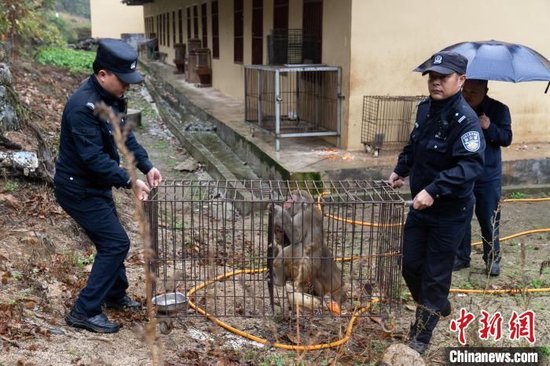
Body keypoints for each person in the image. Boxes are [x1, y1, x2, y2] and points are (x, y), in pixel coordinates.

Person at [54, 38, 162, 333]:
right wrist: (130, 180)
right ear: (103, 74)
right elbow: (94, 159)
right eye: (123, 80)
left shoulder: (112, 98)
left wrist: (147, 165)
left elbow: (126, 136)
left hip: (96, 185)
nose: (127, 86)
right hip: (78, 188)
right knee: (116, 243)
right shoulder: (82, 107)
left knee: (111, 238)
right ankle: (84, 311)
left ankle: (115, 295)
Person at [388, 51, 485, 354]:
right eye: (432, 76)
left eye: (443, 77)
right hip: (421, 207)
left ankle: (421, 335)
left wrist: (434, 189)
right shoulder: (425, 109)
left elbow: (470, 166)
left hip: (448, 211)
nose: (436, 82)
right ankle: (437, 305)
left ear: (461, 80)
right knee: (410, 265)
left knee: (435, 274)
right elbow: (414, 145)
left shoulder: (465, 120)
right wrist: (400, 169)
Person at [454, 79, 512, 276]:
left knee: (489, 219)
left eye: (474, 92)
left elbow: (506, 138)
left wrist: (489, 127)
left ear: (485, 91)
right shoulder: (456, 107)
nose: (468, 95)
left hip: (488, 175)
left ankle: (492, 258)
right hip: (462, 172)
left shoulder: (499, 109)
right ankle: (461, 257)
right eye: (465, 90)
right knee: (461, 216)